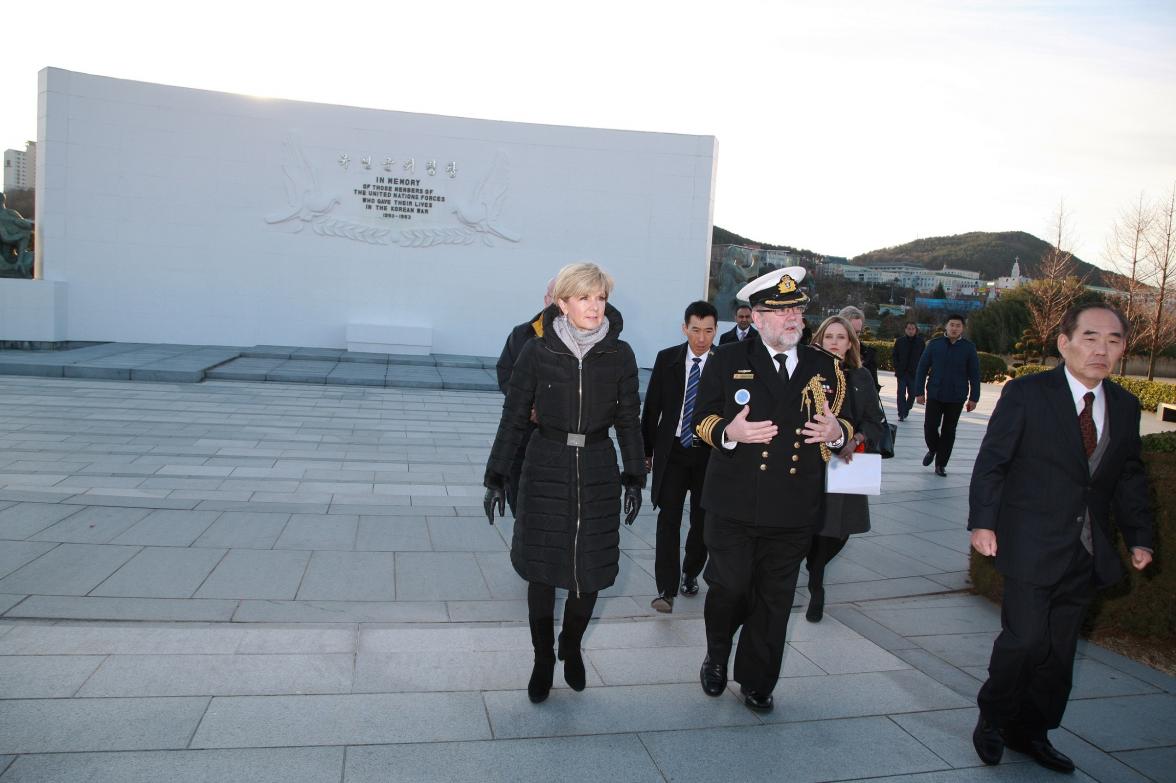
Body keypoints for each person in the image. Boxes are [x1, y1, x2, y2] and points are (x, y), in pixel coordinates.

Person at [968, 303, 1154, 774]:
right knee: (1025, 641)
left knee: (1059, 652)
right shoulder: (1028, 394)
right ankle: (993, 717)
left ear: (1124, 349)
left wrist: (1140, 536)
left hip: (1087, 550)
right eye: (1090, 337)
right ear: (1063, 342)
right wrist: (983, 522)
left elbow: (1129, 477)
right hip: (1030, 541)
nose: (1101, 349)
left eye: (1113, 340)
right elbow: (993, 461)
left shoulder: (1126, 406)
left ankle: (1031, 731)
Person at [692, 266, 852, 713]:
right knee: (730, 589)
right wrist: (730, 433)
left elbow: (850, 426)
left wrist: (838, 435)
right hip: (733, 502)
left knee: (774, 599)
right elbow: (700, 421)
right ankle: (717, 656)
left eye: (798, 309)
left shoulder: (828, 369)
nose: (793, 318)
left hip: (793, 505)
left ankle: (758, 680)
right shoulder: (727, 360)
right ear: (756, 317)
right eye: (781, 312)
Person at [483, 262, 645, 704]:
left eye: (601, 298)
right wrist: (496, 476)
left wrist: (634, 475)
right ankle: (541, 659)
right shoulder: (536, 352)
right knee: (541, 571)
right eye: (585, 297)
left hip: (596, 468)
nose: (595, 306)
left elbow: (630, 419)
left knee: (588, 575)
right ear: (563, 303)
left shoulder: (620, 354)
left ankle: (570, 645)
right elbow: (514, 416)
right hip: (544, 465)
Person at [804, 316, 887, 622]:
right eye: (829, 337)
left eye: (841, 337)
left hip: (848, 460)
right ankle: (817, 586)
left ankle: (816, 566)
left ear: (851, 343)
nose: (835, 342)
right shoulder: (806, 372)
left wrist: (856, 439)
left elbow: (874, 421)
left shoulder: (861, 376)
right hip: (811, 459)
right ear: (819, 341)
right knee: (812, 523)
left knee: (840, 532)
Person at [641, 300, 718, 613]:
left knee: (702, 522)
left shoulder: (725, 363)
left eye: (708, 331)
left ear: (716, 331)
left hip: (709, 455)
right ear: (685, 328)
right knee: (668, 519)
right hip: (673, 452)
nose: (701, 338)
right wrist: (646, 452)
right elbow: (652, 410)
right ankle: (665, 588)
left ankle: (690, 572)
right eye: (695, 330)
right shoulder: (667, 359)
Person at [494, 277, 556, 515]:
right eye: (553, 295)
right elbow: (505, 372)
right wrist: (528, 406)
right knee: (519, 495)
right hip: (522, 429)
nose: (555, 301)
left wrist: (547, 409)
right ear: (546, 298)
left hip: (555, 434)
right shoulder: (522, 333)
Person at [915, 313, 980, 476]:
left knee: (949, 431)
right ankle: (933, 449)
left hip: (956, 396)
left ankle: (940, 464)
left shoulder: (968, 348)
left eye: (958, 325)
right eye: (952, 325)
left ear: (962, 328)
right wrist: (919, 392)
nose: (954, 328)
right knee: (930, 426)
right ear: (946, 326)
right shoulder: (934, 345)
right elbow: (922, 368)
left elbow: (974, 374)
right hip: (935, 393)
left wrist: (974, 398)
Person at [838, 306, 879, 390]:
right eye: (850, 330)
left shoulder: (867, 355)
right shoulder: (827, 350)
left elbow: (873, 389)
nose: (853, 336)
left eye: (857, 332)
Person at [892, 322, 926, 422]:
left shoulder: (920, 342)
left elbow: (924, 358)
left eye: (913, 329)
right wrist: (897, 367)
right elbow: (895, 355)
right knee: (901, 393)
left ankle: (906, 409)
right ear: (905, 329)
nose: (911, 331)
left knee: (912, 394)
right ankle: (901, 413)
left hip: (914, 373)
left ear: (916, 330)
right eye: (909, 329)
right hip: (902, 373)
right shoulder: (900, 341)